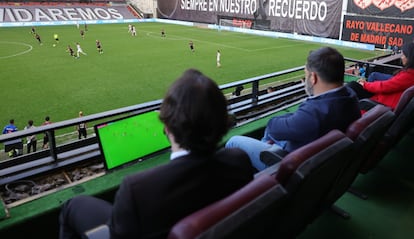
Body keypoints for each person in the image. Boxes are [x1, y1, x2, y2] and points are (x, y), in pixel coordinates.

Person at [59, 69, 254, 239]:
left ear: (167, 126)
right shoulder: (239, 160)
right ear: (223, 122)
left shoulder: (136, 189)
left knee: (72, 206)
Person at [225, 47, 361, 171]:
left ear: (313, 78)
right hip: (320, 161)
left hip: (296, 166)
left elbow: (274, 126)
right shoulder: (351, 96)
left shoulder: (315, 113)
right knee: (270, 138)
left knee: (233, 141)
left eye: (306, 74)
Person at [347, 42, 414, 110]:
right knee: (353, 86)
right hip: (383, 100)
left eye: (403, 55)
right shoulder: (409, 74)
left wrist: (365, 84)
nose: (401, 57)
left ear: (410, 58)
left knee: (352, 86)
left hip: (382, 105)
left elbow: (385, 86)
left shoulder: (409, 76)